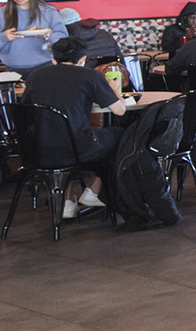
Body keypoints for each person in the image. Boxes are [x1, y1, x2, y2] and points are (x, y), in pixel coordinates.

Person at [19, 36, 128, 216]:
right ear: (83, 59)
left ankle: (68, 202)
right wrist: (114, 88)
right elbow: (119, 111)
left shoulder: (35, 76)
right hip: (75, 148)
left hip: (36, 149)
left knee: (65, 131)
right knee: (120, 135)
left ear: (54, 59)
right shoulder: (90, 75)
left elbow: (26, 110)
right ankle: (93, 191)